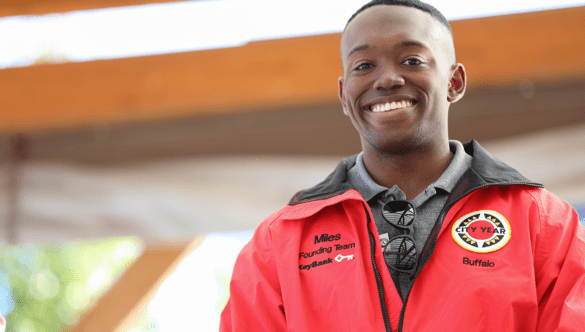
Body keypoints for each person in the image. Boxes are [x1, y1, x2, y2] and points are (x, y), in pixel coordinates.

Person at [219, 0, 585, 331]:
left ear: (454, 82)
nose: (387, 79)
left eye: (412, 60)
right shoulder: (279, 241)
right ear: (345, 96)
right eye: (364, 65)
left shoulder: (543, 224)